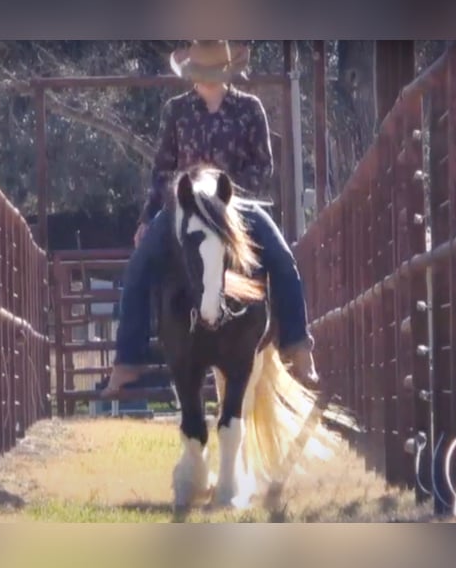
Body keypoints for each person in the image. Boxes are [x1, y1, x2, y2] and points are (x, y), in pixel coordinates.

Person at [102, 40, 318, 397]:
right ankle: (127, 361)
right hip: (184, 205)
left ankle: (298, 347)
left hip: (237, 205)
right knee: (138, 267)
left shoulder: (250, 109)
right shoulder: (176, 111)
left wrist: (224, 193)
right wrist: (147, 216)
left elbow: (262, 165)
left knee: (283, 260)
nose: (203, 81)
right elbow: (163, 169)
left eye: (208, 74)